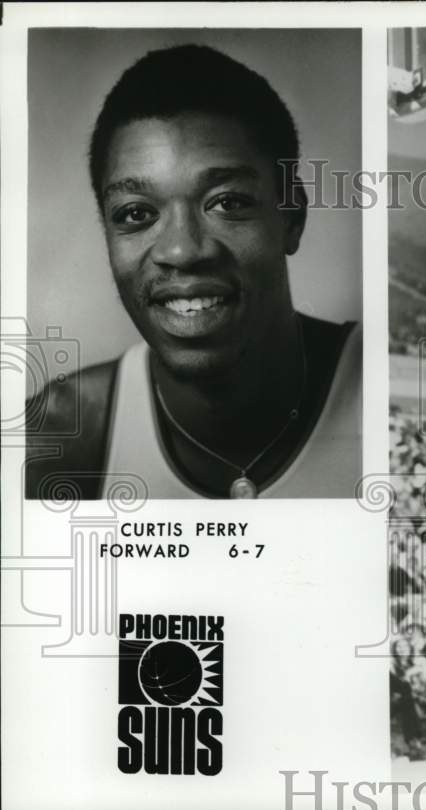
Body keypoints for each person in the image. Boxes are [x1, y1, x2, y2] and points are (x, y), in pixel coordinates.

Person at [25, 45, 360, 500]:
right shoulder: (61, 437)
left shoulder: (381, 390)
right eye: (136, 213)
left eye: (227, 202)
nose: (181, 250)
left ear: (292, 215)